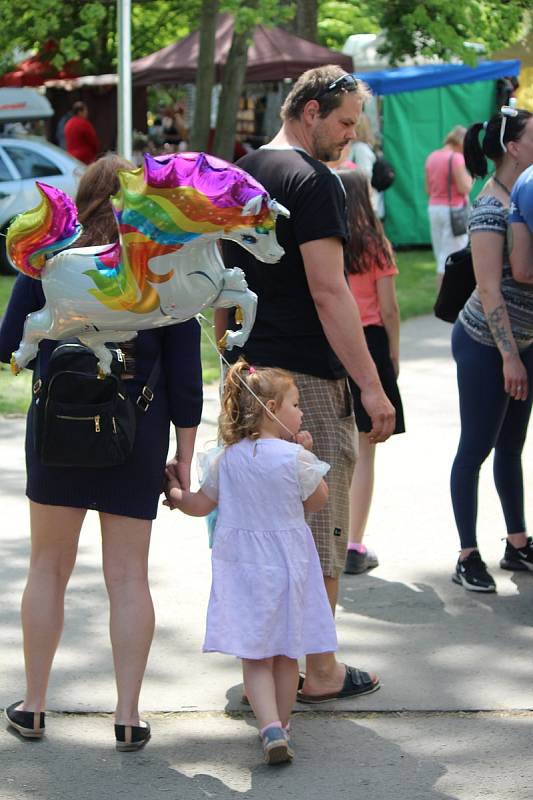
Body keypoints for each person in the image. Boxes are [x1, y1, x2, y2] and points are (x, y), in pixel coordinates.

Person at [0, 154, 203, 748]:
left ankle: (35, 705)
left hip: (56, 432)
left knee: (47, 569)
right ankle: (128, 714)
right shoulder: (163, 264)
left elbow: (10, 343)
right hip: (136, 436)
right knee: (127, 577)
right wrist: (184, 458)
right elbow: (187, 377)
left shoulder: (49, 261)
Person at [217, 65, 395, 703]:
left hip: (246, 374)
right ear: (311, 111)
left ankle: (270, 671)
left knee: (258, 528)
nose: (350, 137)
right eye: (345, 122)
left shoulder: (240, 171)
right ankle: (319, 671)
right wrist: (372, 389)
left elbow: (219, 279)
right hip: (306, 382)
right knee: (321, 525)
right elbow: (330, 290)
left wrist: (227, 356)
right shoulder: (314, 182)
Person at [165, 360, 337, 764]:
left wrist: (174, 493)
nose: (301, 412)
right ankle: (284, 724)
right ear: (273, 408)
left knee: (255, 654)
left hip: (243, 568)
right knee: (285, 651)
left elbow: (199, 504)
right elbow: (319, 500)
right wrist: (305, 454)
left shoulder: (226, 459)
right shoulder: (293, 458)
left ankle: (269, 728)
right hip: (288, 565)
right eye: (296, 405)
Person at [450, 107, 533, 592]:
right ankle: (467, 553)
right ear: (514, 147)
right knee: (476, 447)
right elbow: (488, 288)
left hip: (523, 343)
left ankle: (517, 542)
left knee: (513, 445)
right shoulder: (489, 208)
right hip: (486, 344)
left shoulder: (525, 194)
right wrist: (509, 356)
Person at [338, 170, 405, 574]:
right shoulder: (376, 246)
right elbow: (391, 309)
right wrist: (393, 356)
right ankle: (353, 544)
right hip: (372, 343)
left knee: (331, 444)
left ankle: (326, 533)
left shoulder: (330, 244)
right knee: (365, 450)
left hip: (336, 342)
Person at [425, 126, 473, 287]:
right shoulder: (456, 158)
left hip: (434, 208)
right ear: (461, 142)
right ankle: (445, 302)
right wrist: (471, 177)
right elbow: (464, 187)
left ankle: (443, 301)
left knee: (440, 254)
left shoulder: (432, 157)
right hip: (454, 211)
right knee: (451, 258)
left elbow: (427, 189)